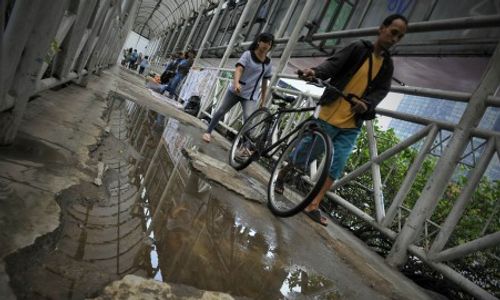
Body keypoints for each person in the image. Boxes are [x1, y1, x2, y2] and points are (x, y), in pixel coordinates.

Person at [294, 14, 408, 226]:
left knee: (337, 165)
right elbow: (333, 65)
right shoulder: (358, 48)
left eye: (399, 37)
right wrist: (315, 71)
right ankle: (282, 176)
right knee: (305, 154)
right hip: (329, 112)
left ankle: (313, 205)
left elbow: (381, 90)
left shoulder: (387, 66)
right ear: (382, 28)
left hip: (352, 123)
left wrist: (367, 103)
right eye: (393, 32)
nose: (395, 39)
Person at [202, 32, 274, 143]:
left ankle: (246, 146)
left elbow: (265, 82)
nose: (266, 45)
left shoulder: (268, 63)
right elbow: (239, 69)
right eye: (264, 42)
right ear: (259, 42)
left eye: (269, 43)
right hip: (236, 91)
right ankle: (208, 132)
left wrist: (263, 100)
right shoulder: (248, 54)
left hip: (251, 96)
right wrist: (236, 83)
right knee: (221, 111)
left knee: (249, 119)